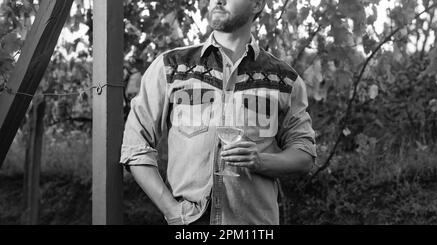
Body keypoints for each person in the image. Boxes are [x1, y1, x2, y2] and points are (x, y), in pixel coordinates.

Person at [120, 0, 317, 225]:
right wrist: (174, 212)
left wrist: (260, 161)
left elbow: (304, 154)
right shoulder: (171, 67)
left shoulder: (284, 79)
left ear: (256, 5)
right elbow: (136, 147)